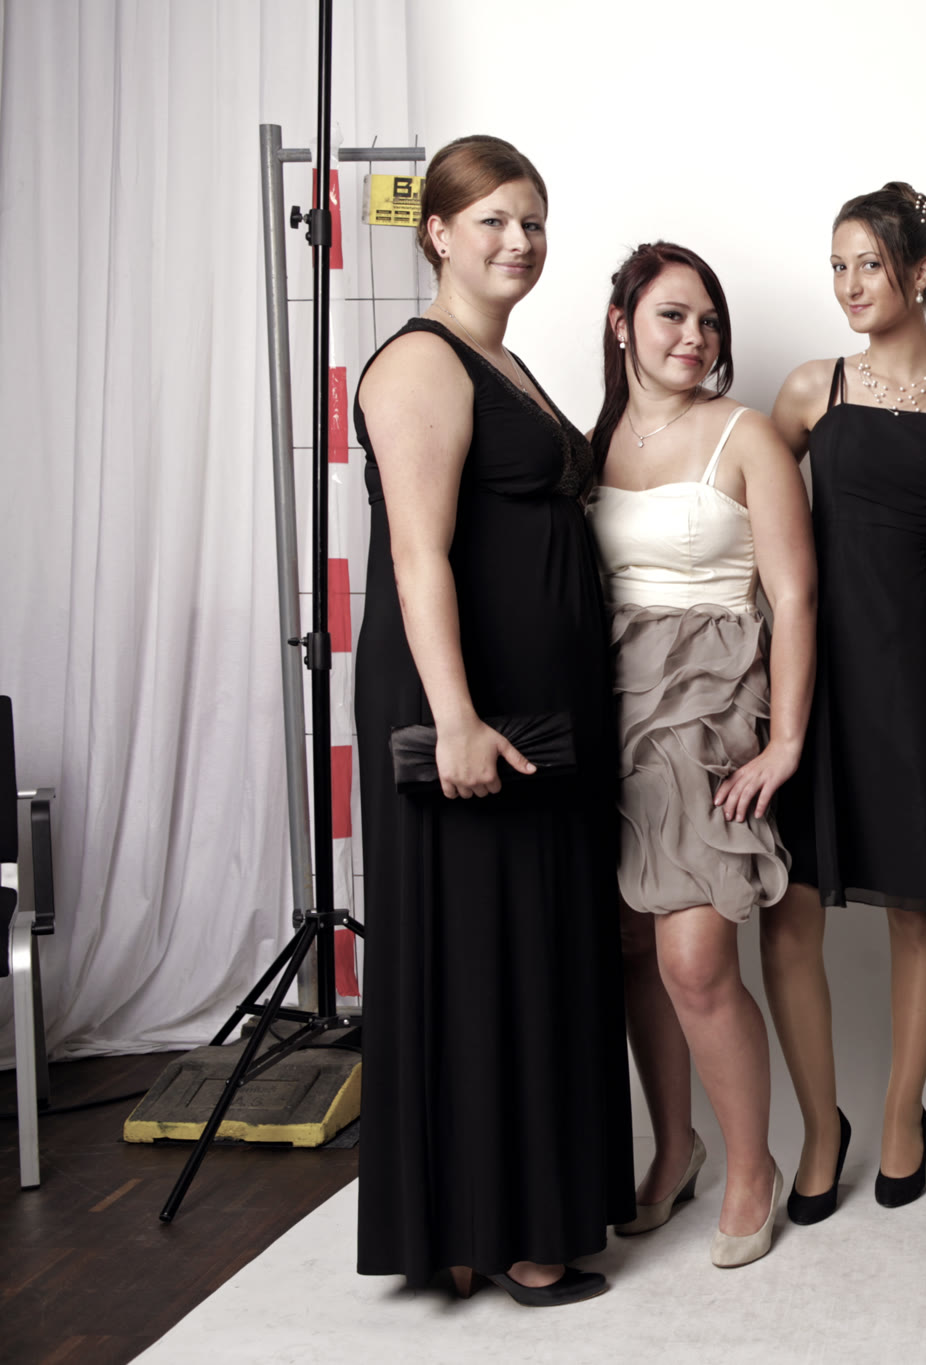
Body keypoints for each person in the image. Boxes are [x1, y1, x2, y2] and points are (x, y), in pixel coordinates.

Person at [352, 135, 630, 1306]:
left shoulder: (500, 360)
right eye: (494, 222)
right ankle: (502, 1233)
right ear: (436, 233)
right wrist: (457, 719)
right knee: (479, 950)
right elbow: (417, 557)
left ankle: (489, 1223)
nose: (520, 242)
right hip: (466, 701)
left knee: (527, 949)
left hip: (538, 706)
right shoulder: (420, 362)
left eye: (533, 222)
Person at [586, 242, 817, 1268]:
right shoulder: (591, 440)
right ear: (622, 323)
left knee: (693, 958)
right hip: (606, 700)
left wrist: (785, 738)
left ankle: (751, 1168)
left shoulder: (746, 433)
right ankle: (673, 1148)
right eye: (672, 316)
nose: (694, 337)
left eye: (708, 320)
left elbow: (795, 597)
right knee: (631, 947)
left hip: (708, 700)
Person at [767, 183, 926, 1222]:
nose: (851, 285)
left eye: (870, 264)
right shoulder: (810, 390)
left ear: (922, 272)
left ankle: (902, 1112)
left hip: (921, 685)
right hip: (815, 679)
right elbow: (752, 523)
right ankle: (821, 1125)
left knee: (917, 909)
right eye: (838, 266)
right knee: (790, 909)